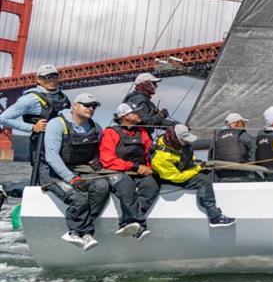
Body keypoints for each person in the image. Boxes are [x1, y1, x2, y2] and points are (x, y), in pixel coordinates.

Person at [42, 93, 110, 251]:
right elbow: (51, 157)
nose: (91, 108)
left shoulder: (95, 127)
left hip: (81, 171)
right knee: (79, 197)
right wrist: (71, 179)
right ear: (74, 105)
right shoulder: (57, 124)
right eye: (86, 105)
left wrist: (97, 159)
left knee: (102, 186)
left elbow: (99, 151)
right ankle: (75, 232)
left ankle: (83, 228)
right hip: (53, 173)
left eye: (94, 106)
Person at [151, 124, 235, 227]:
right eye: (184, 140)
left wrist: (198, 163)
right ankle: (215, 217)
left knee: (212, 174)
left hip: (183, 170)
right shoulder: (160, 157)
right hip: (172, 178)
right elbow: (177, 178)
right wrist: (198, 168)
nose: (186, 142)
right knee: (203, 181)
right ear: (175, 138)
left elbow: (189, 157)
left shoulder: (178, 144)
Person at [0, 64, 70, 184]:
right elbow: (3, 118)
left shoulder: (62, 97)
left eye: (54, 76)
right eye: (47, 77)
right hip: (41, 145)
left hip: (64, 144)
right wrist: (33, 127)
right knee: (45, 177)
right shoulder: (30, 99)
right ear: (38, 79)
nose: (51, 80)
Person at [99, 103, 160, 241]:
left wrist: (151, 168)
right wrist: (134, 167)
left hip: (139, 171)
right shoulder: (110, 132)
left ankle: (130, 222)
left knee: (153, 183)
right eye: (136, 112)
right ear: (126, 116)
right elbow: (107, 161)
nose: (140, 115)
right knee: (127, 186)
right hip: (116, 171)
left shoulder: (142, 132)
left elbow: (149, 153)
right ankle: (139, 225)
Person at [210, 112, 257, 182]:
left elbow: (210, 156)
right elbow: (253, 155)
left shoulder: (217, 137)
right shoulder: (245, 136)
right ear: (236, 123)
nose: (244, 125)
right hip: (243, 176)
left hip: (221, 177)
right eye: (243, 123)